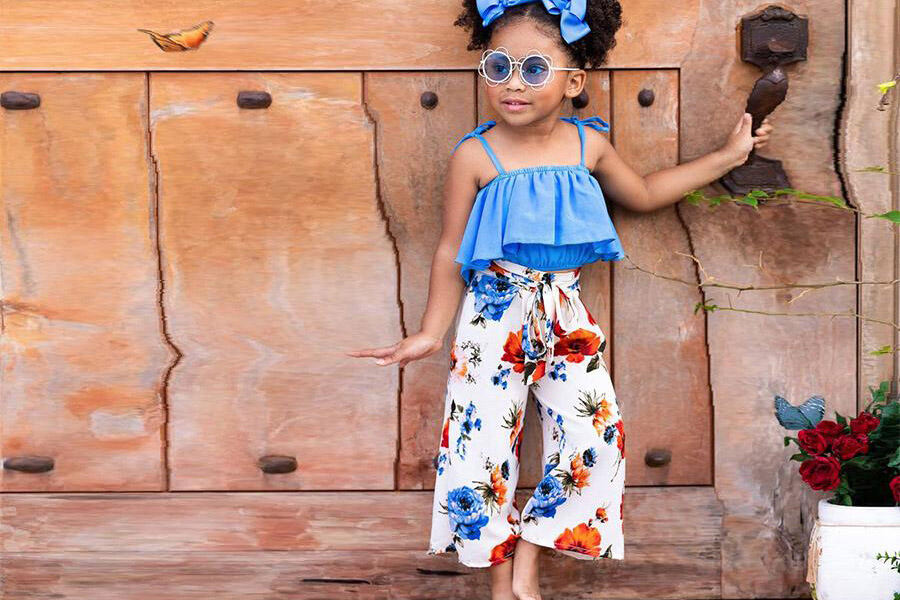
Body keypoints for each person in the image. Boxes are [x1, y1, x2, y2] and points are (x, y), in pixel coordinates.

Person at [347, 1, 773, 598]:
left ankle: (530, 551)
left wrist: (728, 157)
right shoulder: (476, 155)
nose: (513, 84)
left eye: (533, 69)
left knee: (594, 440)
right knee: (482, 449)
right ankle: (506, 587)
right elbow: (450, 249)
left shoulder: (588, 148)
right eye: (498, 67)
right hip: (494, 313)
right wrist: (430, 331)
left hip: (565, 313)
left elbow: (646, 194)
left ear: (574, 81)